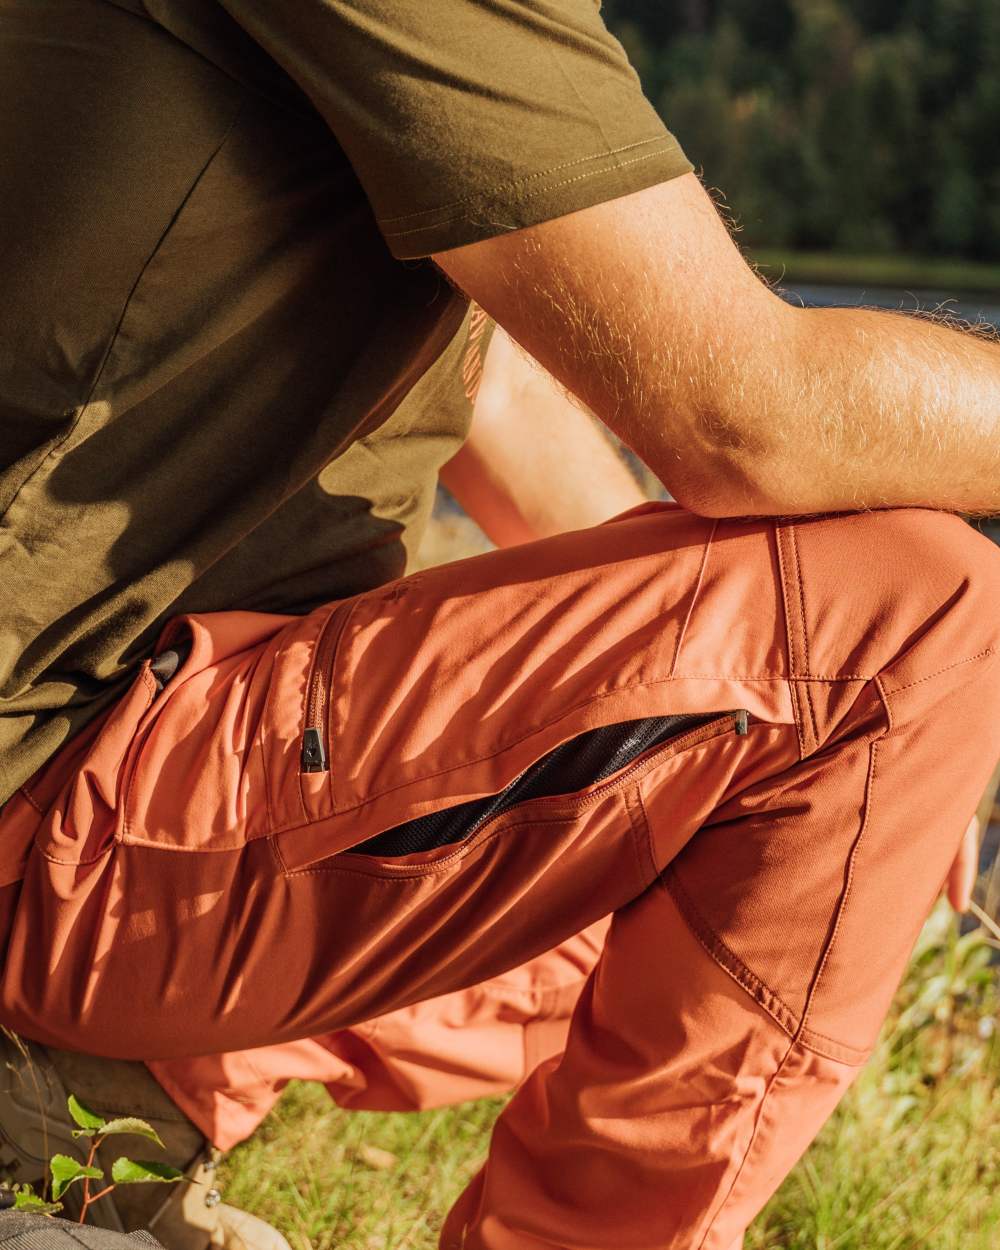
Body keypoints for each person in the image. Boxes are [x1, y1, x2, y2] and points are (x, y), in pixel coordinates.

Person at [1, 3, 998, 1249]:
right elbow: (745, 407)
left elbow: (510, 365)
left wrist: (792, 721)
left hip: (97, 756)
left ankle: (93, 1091)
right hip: (53, 798)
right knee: (921, 606)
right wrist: (852, 682)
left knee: (764, 804)